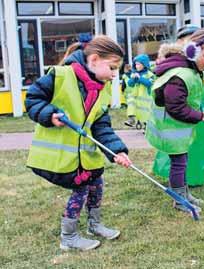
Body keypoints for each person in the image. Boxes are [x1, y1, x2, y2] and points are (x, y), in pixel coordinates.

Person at [25, 35, 132, 251]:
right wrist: (49, 114)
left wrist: (117, 151)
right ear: (93, 60)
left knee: (97, 185)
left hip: (84, 157)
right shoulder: (60, 76)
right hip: (60, 158)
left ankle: (95, 224)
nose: (114, 75)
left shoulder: (101, 90)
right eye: (112, 68)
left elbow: (102, 127)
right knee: (81, 189)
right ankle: (69, 236)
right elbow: (32, 99)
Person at [145, 28, 204, 214]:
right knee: (179, 163)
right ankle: (179, 200)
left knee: (183, 161)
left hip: (178, 127)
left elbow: (188, 96)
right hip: (171, 127)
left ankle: (183, 193)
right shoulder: (180, 74)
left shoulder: (191, 69)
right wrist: (198, 116)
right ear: (192, 51)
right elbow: (176, 107)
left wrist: (197, 106)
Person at [124, 54, 154, 130]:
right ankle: (131, 120)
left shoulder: (149, 74)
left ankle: (146, 126)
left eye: (139, 64)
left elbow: (149, 83)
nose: (137, 66)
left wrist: (139, 78)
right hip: (134, 96)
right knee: (131, 106)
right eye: (136, 64)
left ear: (144, 65)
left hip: (145, 97)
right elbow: (130, 84)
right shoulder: (133, 74)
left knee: (145, 113)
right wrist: (133, 79)